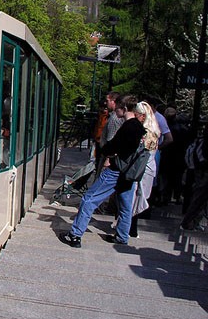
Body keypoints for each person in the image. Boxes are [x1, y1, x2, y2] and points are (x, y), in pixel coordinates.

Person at [60, 95, 145, 248]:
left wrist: (108, 153)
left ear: (124, 108)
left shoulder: (127, 127)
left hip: (115, 170)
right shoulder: (139, 127)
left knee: (88, 199)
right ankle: (122, 237)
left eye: (118, 107)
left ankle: (75, 235)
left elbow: (110, 148)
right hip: (129, 173)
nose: (116, 111)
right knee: (125, 207)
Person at [129, 101, 161, 238]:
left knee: (133, 199)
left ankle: (130, 228)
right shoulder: (154, 131)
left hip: (140, 169)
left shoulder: (144, 132)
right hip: (148, 169)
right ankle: (131, 228)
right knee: (137, 199)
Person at [181, 123, 208, 231]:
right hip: (204, 170)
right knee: (199, 198)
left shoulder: (204, 136)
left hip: (202, 169)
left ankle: (191, 222)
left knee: (199, 198)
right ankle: (188, 222)